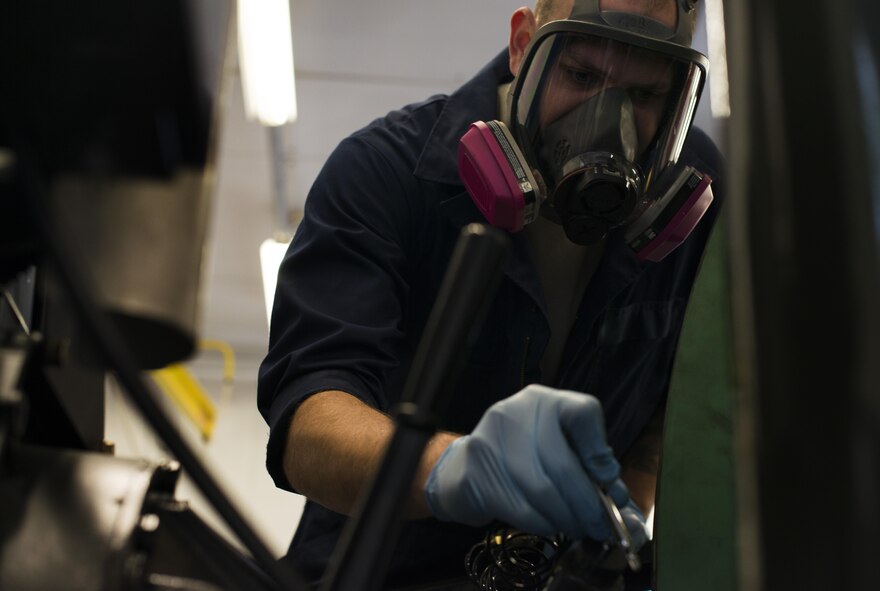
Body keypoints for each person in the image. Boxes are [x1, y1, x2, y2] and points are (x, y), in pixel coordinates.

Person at [258, 0, 724, 587]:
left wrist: (619, 519)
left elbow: (683, 404)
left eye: (646, 95)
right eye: (581, 76)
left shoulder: (699, 206)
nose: (612, 121)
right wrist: (451, 467)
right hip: (380, 574)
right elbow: (307, 426)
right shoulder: (385, 174)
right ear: (523, 42)